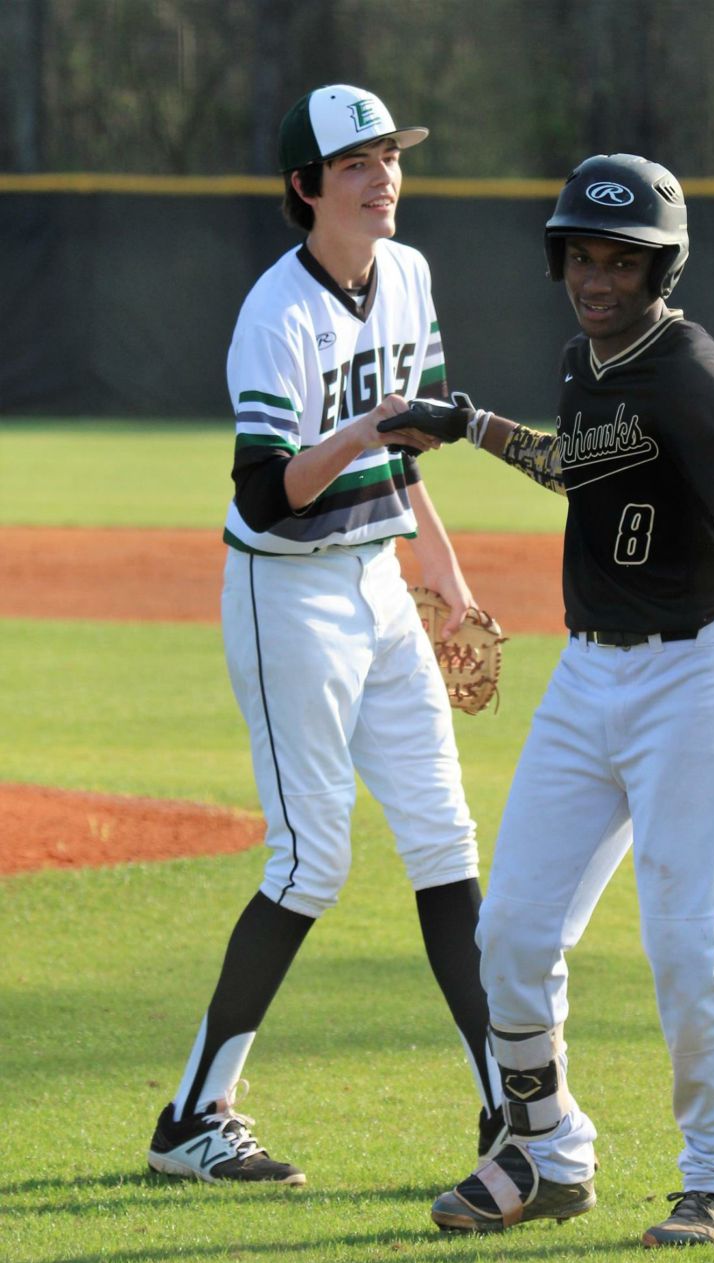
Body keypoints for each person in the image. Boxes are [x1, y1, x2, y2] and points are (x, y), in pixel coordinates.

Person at [426, 154, 714, 1244]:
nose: (596, 278)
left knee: (685, 941)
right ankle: (546, 1153)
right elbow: (574, 465)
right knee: (510, 932)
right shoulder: (582, 364)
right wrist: (466, 425)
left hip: (700, 673)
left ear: (659, 268)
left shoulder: (690, 370)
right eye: (582, 256)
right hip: (588, 671)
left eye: (620, 260)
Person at [146, 84, 504, 1184]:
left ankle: (512, 1109)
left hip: (380, 582)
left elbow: (410, 450)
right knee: (311, 859)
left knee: (447, 842)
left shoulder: (409, 276)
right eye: (355, 163)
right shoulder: (276, 315)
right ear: (307, 188)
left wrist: (439, 570)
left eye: (390, 156)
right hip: (285, 592)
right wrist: (359, 430)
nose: (382, 177)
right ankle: (192, 1119)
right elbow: (267, 497)